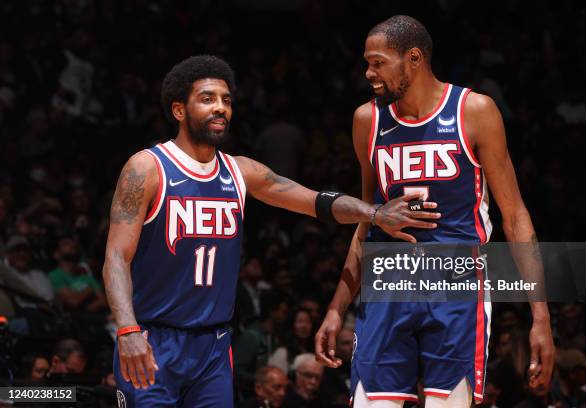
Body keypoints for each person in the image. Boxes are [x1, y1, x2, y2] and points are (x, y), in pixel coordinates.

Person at [103, 54, 423, 407]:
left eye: (226, 100)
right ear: (179, 110)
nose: (220, 108)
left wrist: (375, 213)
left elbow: (316, 202)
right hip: (153, 338)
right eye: (207, 99)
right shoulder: (147, 167)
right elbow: (117, 256)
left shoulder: (240, 171)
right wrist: (127, 329)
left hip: (213, 345)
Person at [315, 15, 555, 407]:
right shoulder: (366, 120)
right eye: (367, 62)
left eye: (377, 62)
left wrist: (541, 317)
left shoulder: (474, 110)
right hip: (388, 283)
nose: (368, 73)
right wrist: (336, 307)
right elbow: (366, 220)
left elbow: (514, 216)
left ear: (413, 58)